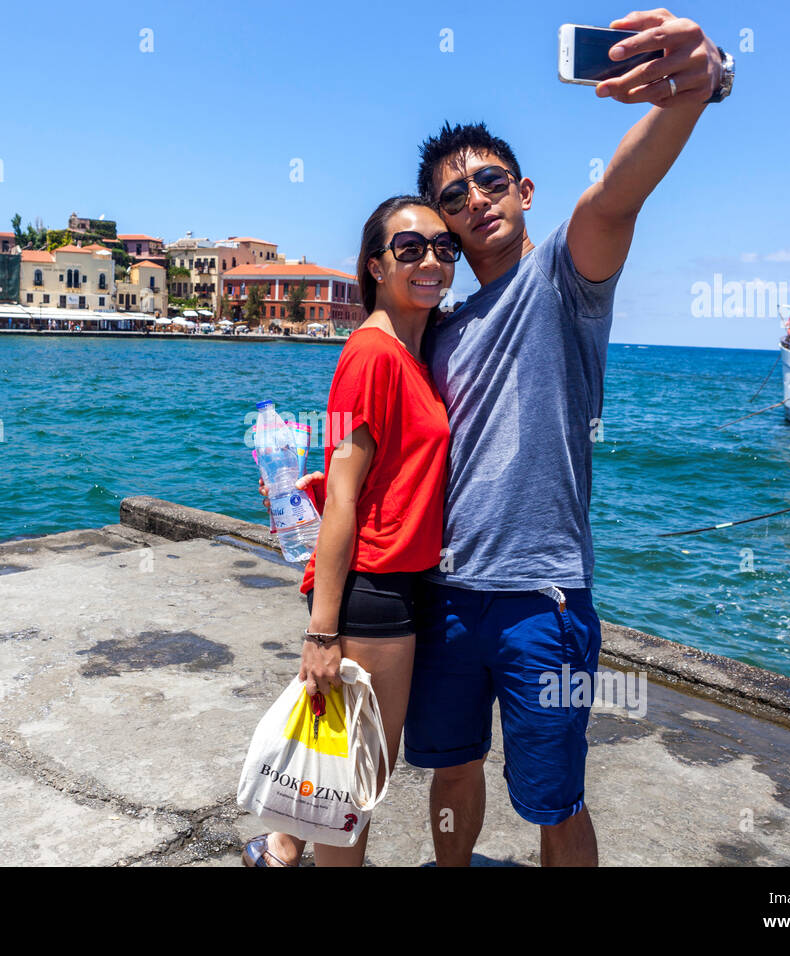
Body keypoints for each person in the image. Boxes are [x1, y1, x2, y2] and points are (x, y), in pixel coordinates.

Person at [258, 10, 728, 866]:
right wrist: (317, 497)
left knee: (556, 800)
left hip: (542, 600)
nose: (475, 199)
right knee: (452, 770)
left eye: (492, 181)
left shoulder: (563, 276)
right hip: (444, 595)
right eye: (453, 197)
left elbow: (615, 194)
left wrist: (693, 90)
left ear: (524, 193)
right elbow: (387, 450)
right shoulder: (436, 328)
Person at [243, 195, 458, 867]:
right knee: (355, 790)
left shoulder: (412, 351)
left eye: (444, 248)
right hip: (376, 592)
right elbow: (343, 494)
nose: (431, 259)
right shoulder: (373, 354)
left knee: (345, 766)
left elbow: (368, 472)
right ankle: (288, 845)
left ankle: (280, 846)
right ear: (375, 263)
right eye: (410, 247)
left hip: (403, 583)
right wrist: (322, 633)